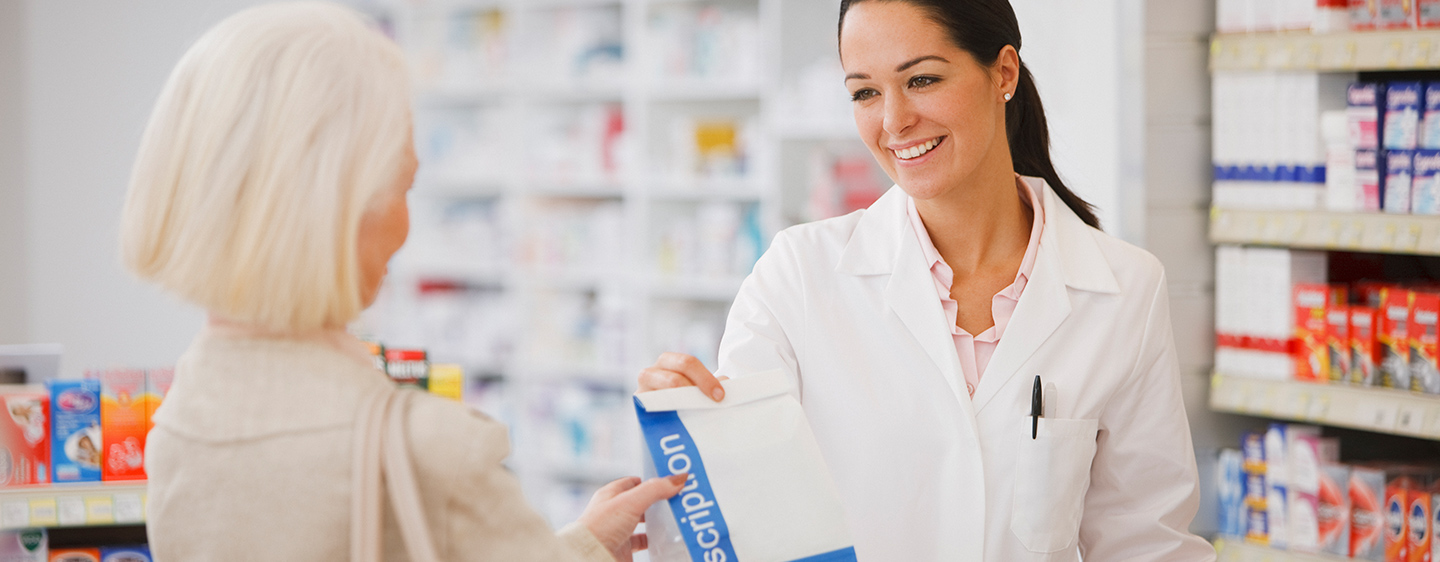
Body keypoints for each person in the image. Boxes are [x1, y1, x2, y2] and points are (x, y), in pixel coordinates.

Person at [638, 1, 1217, 560]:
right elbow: (743, 524)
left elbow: (1148, 544)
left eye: (921, 80)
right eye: (865, 92)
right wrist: (690, 439)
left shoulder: (1123, 289)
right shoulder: (797, 278)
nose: (893, 122)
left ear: (1003, 73)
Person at [120, 3, 681, 560]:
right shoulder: (425, 450)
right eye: (404, 187)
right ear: (341, 207)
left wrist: (580, 547)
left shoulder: (176, 425)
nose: (405, 229)